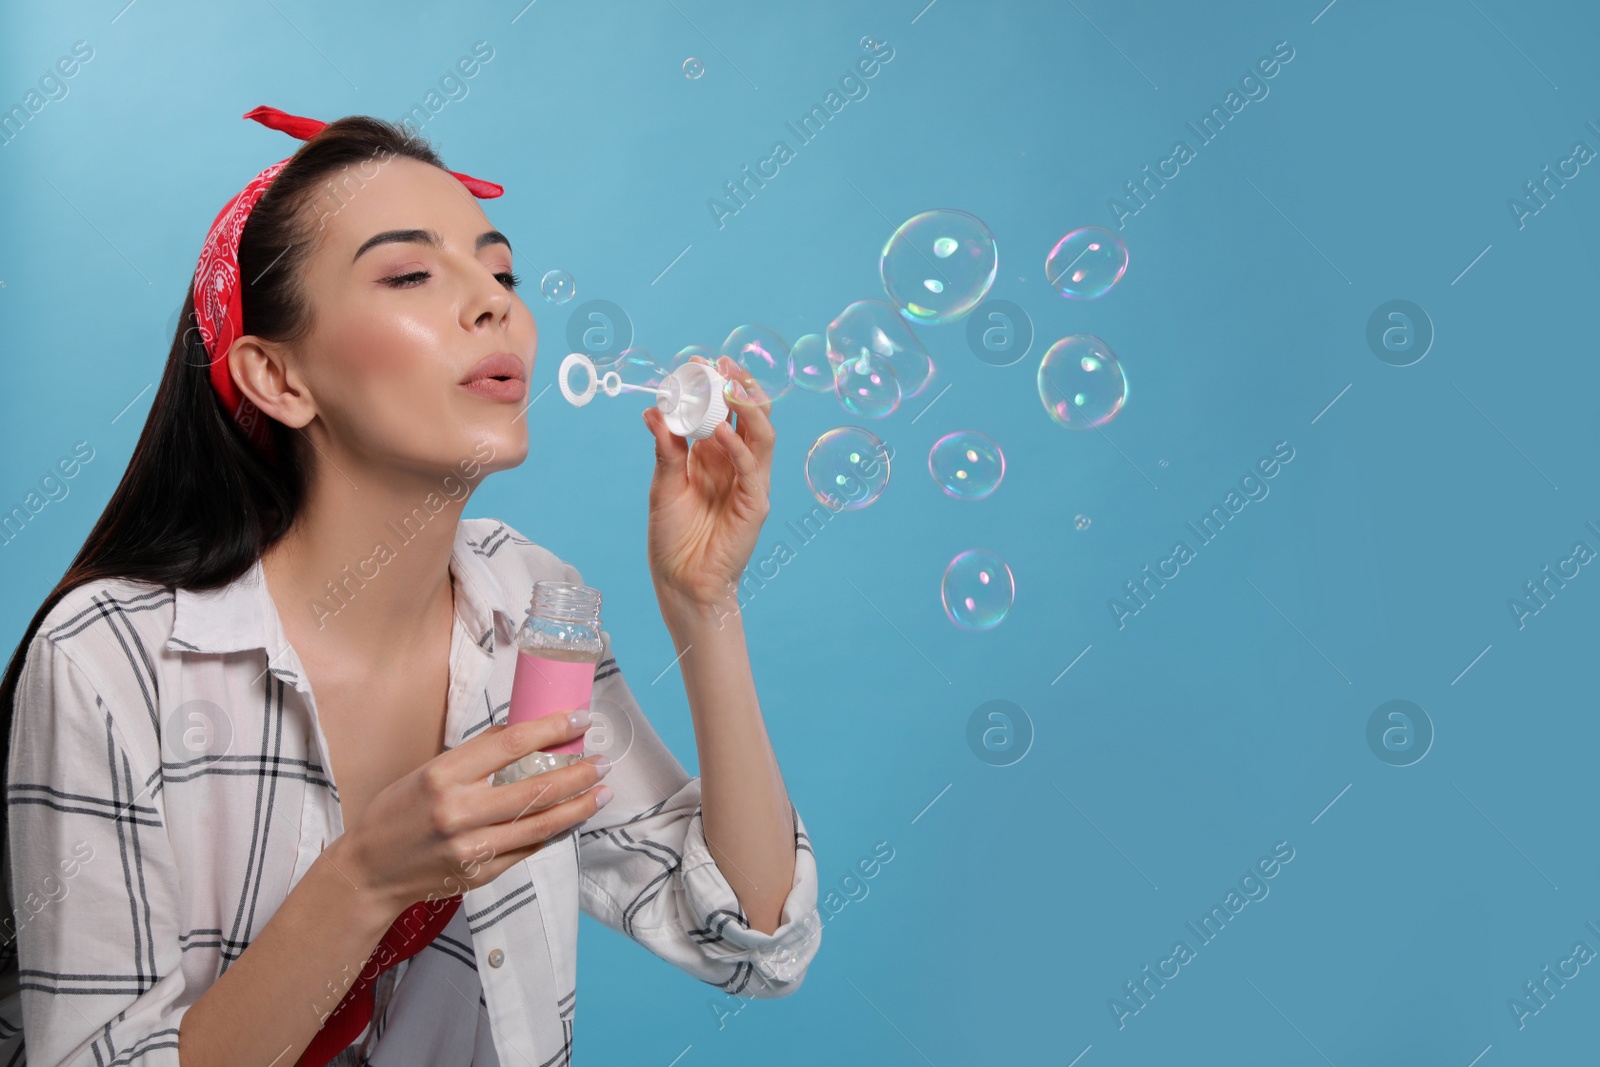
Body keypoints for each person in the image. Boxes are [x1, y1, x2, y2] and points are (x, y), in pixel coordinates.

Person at [0, 107, 821, 1066]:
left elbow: (750, 937)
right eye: (410, 274)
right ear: (278, 376)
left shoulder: (531, 609)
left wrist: (703, 603)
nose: (495, 304)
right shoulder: (110, 658)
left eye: (500, 271)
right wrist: (366, 879)